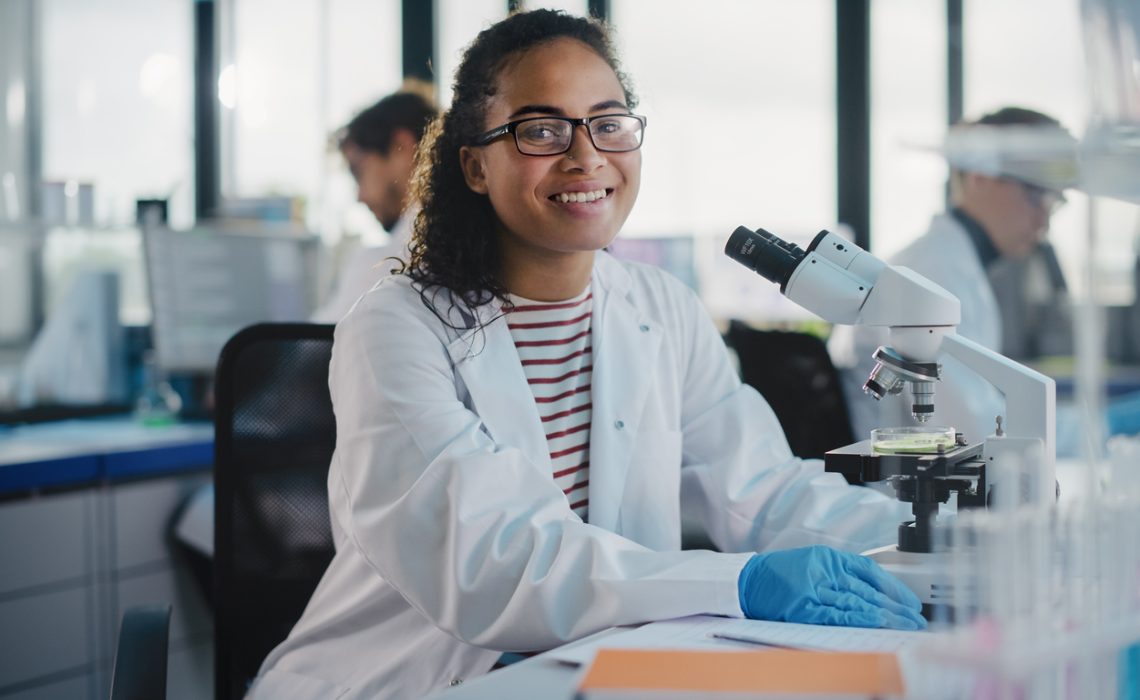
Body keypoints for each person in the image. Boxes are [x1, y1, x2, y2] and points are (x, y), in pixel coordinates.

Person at [250, 11, 923, 700]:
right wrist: (740, 582)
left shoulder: (662, 309)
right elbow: (496, 562)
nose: (585, 156)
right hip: (404, 680)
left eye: (608, 122)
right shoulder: (395, 327)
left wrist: (930, 547)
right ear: (475, 165)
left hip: (597, 671)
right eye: (541, 130)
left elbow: (765, 490)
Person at [831, 107, 1077, 445]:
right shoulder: (933, 272)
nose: (1045, 219)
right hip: (905, 488)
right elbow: (975, 430)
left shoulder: (952, 265)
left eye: (1056, 199)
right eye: (1036, 193)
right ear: (979, 176)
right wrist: (1097, 428)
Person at [311, 85, 438, 322]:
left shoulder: (386, 266)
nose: (360, 196)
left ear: (401, 147)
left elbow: (307, 351)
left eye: (358, 172)